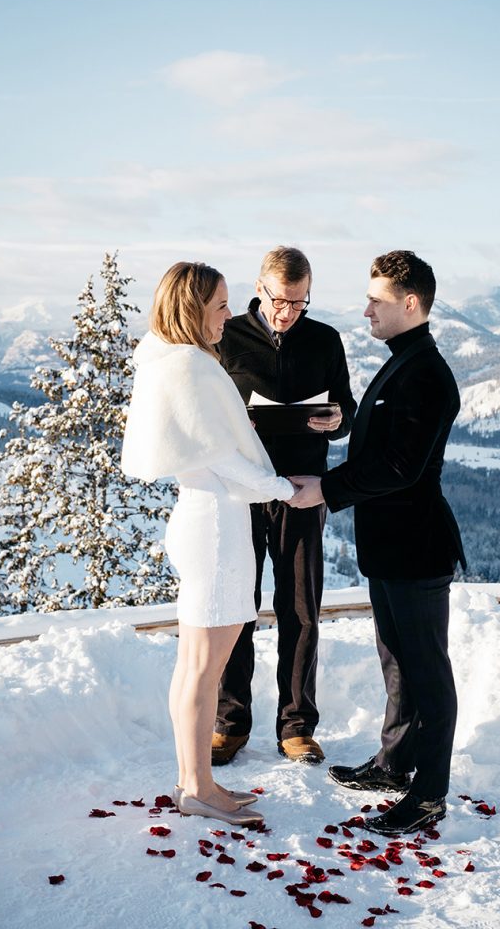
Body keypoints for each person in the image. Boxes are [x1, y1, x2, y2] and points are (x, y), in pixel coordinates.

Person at [289, 250, 466, 836]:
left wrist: (327, 489)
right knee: (397, 664)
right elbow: (381, 440)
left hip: (416, 546)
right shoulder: (401, 363)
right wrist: (343, 418)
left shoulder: (428, 373)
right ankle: (394, 765)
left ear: (409, 304)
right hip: (388, 546)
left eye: (377, 300)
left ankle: (430, 793)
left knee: (427, 672)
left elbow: (401, 466)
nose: (366, 309)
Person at [121, 261, 296, 826]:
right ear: (194, 308)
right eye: (221, 305)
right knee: (204, 666)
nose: (228, 314)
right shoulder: (191, 368)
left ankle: (194, 779)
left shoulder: (168, 361)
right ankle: (198, 787)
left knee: (194, 663)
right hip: (215, 526)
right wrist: (281, 488)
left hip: (202, 520)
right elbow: (221, 456)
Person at [213, 247, 357, 766]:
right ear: (261, 287)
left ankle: (296, 726)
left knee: (301, 608)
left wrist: (336, 419)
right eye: (280, 300)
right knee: (237, 607)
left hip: (300, 490)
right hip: (241, 491)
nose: (288, 312)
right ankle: (230, 723)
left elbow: (347, 410)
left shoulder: (325, 339)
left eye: (299, 302)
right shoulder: (226, 336)